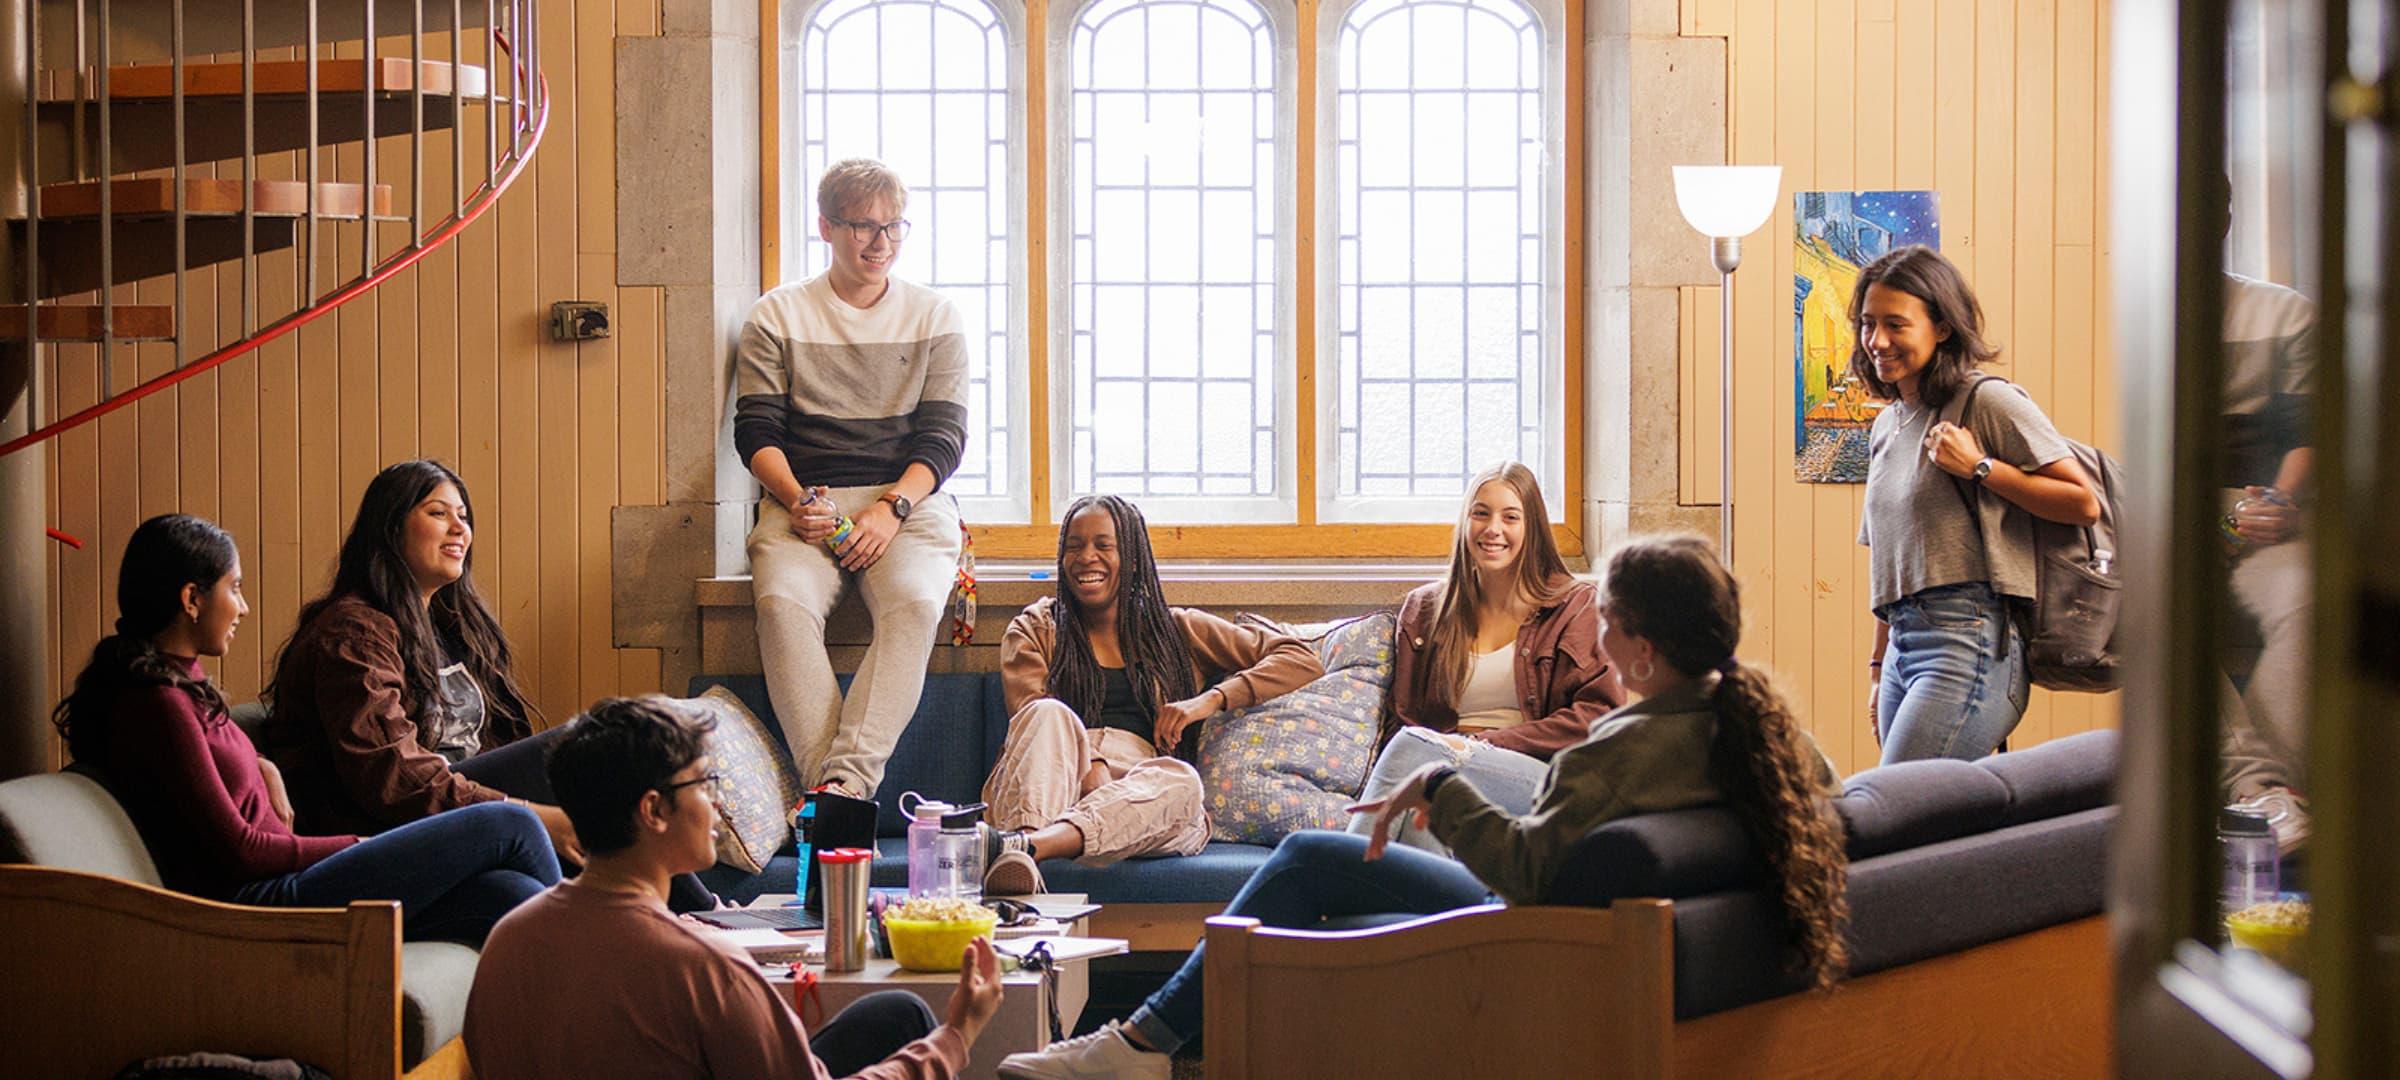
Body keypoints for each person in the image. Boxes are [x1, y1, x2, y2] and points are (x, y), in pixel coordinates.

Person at [995, 535, 1848, 1079]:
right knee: (1352, 843)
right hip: (1627, 943)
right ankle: (1152, 1044)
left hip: (1534, 935)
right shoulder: (1770, 736)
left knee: (1304, 862)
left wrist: (1444, 792)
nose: (1600, 641)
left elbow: (1519, 866)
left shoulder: (1623, 750)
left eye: (1611, 626)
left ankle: (1139, 1045)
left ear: (1646, 647)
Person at [54, 514, 559, 945]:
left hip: (289, 880)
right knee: (509, 825)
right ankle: (605, 960)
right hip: (266, 901)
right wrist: (355, 845)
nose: (243, 607)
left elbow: (196, 764)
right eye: (235, 588)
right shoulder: (158, 703)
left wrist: (259, 762)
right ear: (191, 599)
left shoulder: (177, 685)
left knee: (508, 892)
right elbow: (242, 851)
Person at [261, 460, 722, 909]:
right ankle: (702, 920)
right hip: (383, 827)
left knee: (592, 771)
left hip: (462, 813)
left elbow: (496, 747)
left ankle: (696, 919)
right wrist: (528, 812)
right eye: (438, 513)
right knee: (590, 747)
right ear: (390, 528)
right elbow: (393, 780)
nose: (459, 529)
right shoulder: (353, 633)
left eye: (464, 516)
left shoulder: (450, 624)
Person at [465, 697, 1004, 1079]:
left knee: (894, 1014)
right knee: (917, 1024)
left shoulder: (509, 940)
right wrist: (956, 1036)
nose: (718, 804)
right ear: (653, 810)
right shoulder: (706, 966)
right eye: (705, 783)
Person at [735, 157, 969, 802]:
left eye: (894, 227)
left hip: (908, 501)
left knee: (916, 607)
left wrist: (891, 507)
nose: (881, 242)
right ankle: (838, 794)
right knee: (782, 607)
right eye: (863, 227)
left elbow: (944, 438)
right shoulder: (776, 315)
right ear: (825, 227)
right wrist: (799, 502)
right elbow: (756, 433)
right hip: (803, 499)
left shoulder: (935, 315)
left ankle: (838, 792)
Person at [978, 495, 1323, 895]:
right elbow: (1028, 711)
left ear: (1134, 557)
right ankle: (1028, 840)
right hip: (1050, 784)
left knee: (1183, 783)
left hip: (1138, 795)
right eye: (1074, 546)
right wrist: (1091, 762)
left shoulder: (1176, 630)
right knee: (1047, 713)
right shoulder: (1036, 628)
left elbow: (1301, 658)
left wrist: (1208, 700)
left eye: (1104, 546)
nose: (1086, 557)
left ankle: (1023, 850)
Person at [1852, 245, 2102, 764]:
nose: (1877, 341)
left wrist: (1982, 468)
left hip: (1967, 642)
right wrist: (1879, 669)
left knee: (1897, 811)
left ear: (1941, 327)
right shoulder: (1887, 423)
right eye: (1867, 323)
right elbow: (1888, 560)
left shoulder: (1985, 401)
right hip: (1903, 640)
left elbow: (2083, 502)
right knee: (1916, 818)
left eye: (1896, 325)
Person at [1346, 461, 1621, 856]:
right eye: (1481, 513)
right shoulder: (1425, 609)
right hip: (1441, 768)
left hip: (1537, 777)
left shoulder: (1574, 607)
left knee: (1420, 755)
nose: (1493, 529)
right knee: (1428, 808)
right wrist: (1452, 751)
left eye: (1511, 516)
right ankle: (1446, 913)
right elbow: (1405, 715)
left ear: (1533, 528)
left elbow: (1596, 718)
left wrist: (1476, 745)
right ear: (1465, 522)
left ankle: (1345, 869)